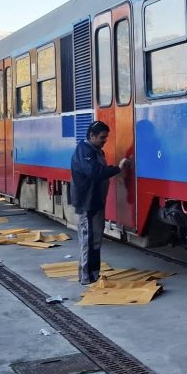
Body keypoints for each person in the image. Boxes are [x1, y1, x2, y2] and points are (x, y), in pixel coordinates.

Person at [70, 121, 130, 285]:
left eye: (106, 137)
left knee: (95, 240)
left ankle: (93, 274)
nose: (105, 141)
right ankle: (86, 277)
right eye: (102, 137)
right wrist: (117, 168)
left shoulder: (95, 151)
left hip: (95, 202)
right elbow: (94, 172)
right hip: (87, 204)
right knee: (89, 241)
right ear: (91, 136)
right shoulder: (84, 150)